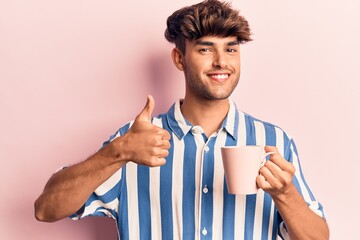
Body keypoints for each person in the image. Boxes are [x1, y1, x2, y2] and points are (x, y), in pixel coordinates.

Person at [34, 0, 329, 239]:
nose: (221, 62)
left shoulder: (274, 142)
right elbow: (46, 209)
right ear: (179, 59)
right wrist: (118, 151)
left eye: (231, 49)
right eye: (205, 49)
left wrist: (285, 194)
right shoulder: (135, 142)